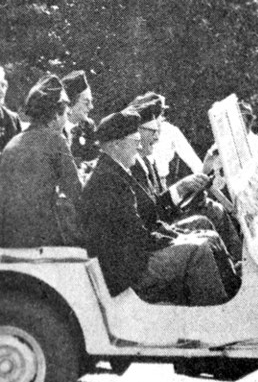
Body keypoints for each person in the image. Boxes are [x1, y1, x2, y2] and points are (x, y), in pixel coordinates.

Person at [78, 110, 231, 306]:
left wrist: (177, 237)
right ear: (116, 144)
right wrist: (180, 238)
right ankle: (217, 320)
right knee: (198, 249)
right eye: (135, 140)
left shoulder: (114, 171)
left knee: (204, 240)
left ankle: (228, 293)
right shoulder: (109, 180)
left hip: (130, 260)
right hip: (128, 272)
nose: (140, 145)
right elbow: (138, 236)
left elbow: (142, 226)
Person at [130, 93, 243, 260]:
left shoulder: (169, 132)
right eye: (154, 115)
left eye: (160, 114)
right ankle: (232, 266)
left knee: (213, 209)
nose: (159, 121)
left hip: (164, 197)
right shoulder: (137, 147)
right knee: (210, 215)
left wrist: (225, 201)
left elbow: (197, 168)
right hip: (159, 206)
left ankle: (237, 262)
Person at [0, 74, 83, 247]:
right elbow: (76, 191)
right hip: (40, 239)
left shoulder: (13, 142)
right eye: (66, 114)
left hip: (6, 238)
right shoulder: (55, 140)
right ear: (55, 115)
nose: (66, 119)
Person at [61, 70, 99, 171]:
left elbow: (95, 157)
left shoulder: (88, 126)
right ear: (70, 104)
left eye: (91, 101)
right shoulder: (57, 127)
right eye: (86, 102)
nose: (91, 107)